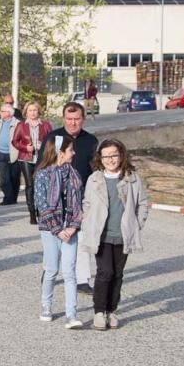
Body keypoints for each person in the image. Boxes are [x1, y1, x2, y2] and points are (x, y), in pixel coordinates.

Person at [80, 140, 149, 331]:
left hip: (123, 234)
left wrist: (137, 223)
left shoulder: (132, 178)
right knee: (105, 273)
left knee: (118, 274)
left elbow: (142, 203)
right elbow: (87, 203)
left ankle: (112, 310)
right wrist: (87, 223)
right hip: (101, 234)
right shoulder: (94, 179)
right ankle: (99, 312)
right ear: (100, 158)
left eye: (114, 155)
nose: (110, 159)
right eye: (106, 156)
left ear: (121, 155)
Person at [41, 102, 99, 293]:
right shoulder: (54, 137)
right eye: (69, 119)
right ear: (63, 119)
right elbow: (43, 166)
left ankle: (82, 279)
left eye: (77, 119)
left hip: (81, 198)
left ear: (83, 119)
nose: (73, 123)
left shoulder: (90, 141)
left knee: (81, 239)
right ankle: (49, 269)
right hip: (55, 198)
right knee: (56, 237)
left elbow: (96, 171)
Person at [34, 134, 84, 329]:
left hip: (70, 230)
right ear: (60, 152)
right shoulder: (42, 175)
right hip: (50, 230)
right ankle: (46, 306)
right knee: (52, 270)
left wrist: (73, 226)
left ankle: (72, 314)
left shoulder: (75, 176)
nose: (74, 153)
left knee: (70, 272)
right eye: (70, 150)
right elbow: (42, 205)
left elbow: (79, 204)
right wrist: (57, 229)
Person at [11, 101, 53, 225]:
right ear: (26, 112)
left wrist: (44, 146)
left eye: (35, 110)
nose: (33, 112)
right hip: (25, 158)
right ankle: (32, 214)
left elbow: (52, 140)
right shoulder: (21, 125)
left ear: (38, 111)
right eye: (30, 110)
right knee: (30, 185)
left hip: (41, 159)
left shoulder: (45, 125)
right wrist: (25, 147)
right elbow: (15, 141)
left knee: (41, 185)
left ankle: (41, 211)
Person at [0, 103, 22, 206]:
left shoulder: (18, 124)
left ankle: (13, 198)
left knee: (14, 178)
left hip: (14, 154)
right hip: (1, 154)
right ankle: (8, 197)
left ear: (9, 113)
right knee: (4, 179)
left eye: (2, 111)